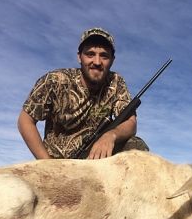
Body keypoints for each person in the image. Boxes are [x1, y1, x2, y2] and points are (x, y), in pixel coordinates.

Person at [17, 27, 149, 160]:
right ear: (79, 57)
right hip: (57, 163)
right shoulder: (55, 80)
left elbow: (131, 122)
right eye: (90, 54)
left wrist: (111, 135)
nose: (97, 62)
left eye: (104, 56)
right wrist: (46, 164)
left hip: (96, 157)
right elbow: (25, 120)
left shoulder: (116, 83)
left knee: (135, 144)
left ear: (112, 60)